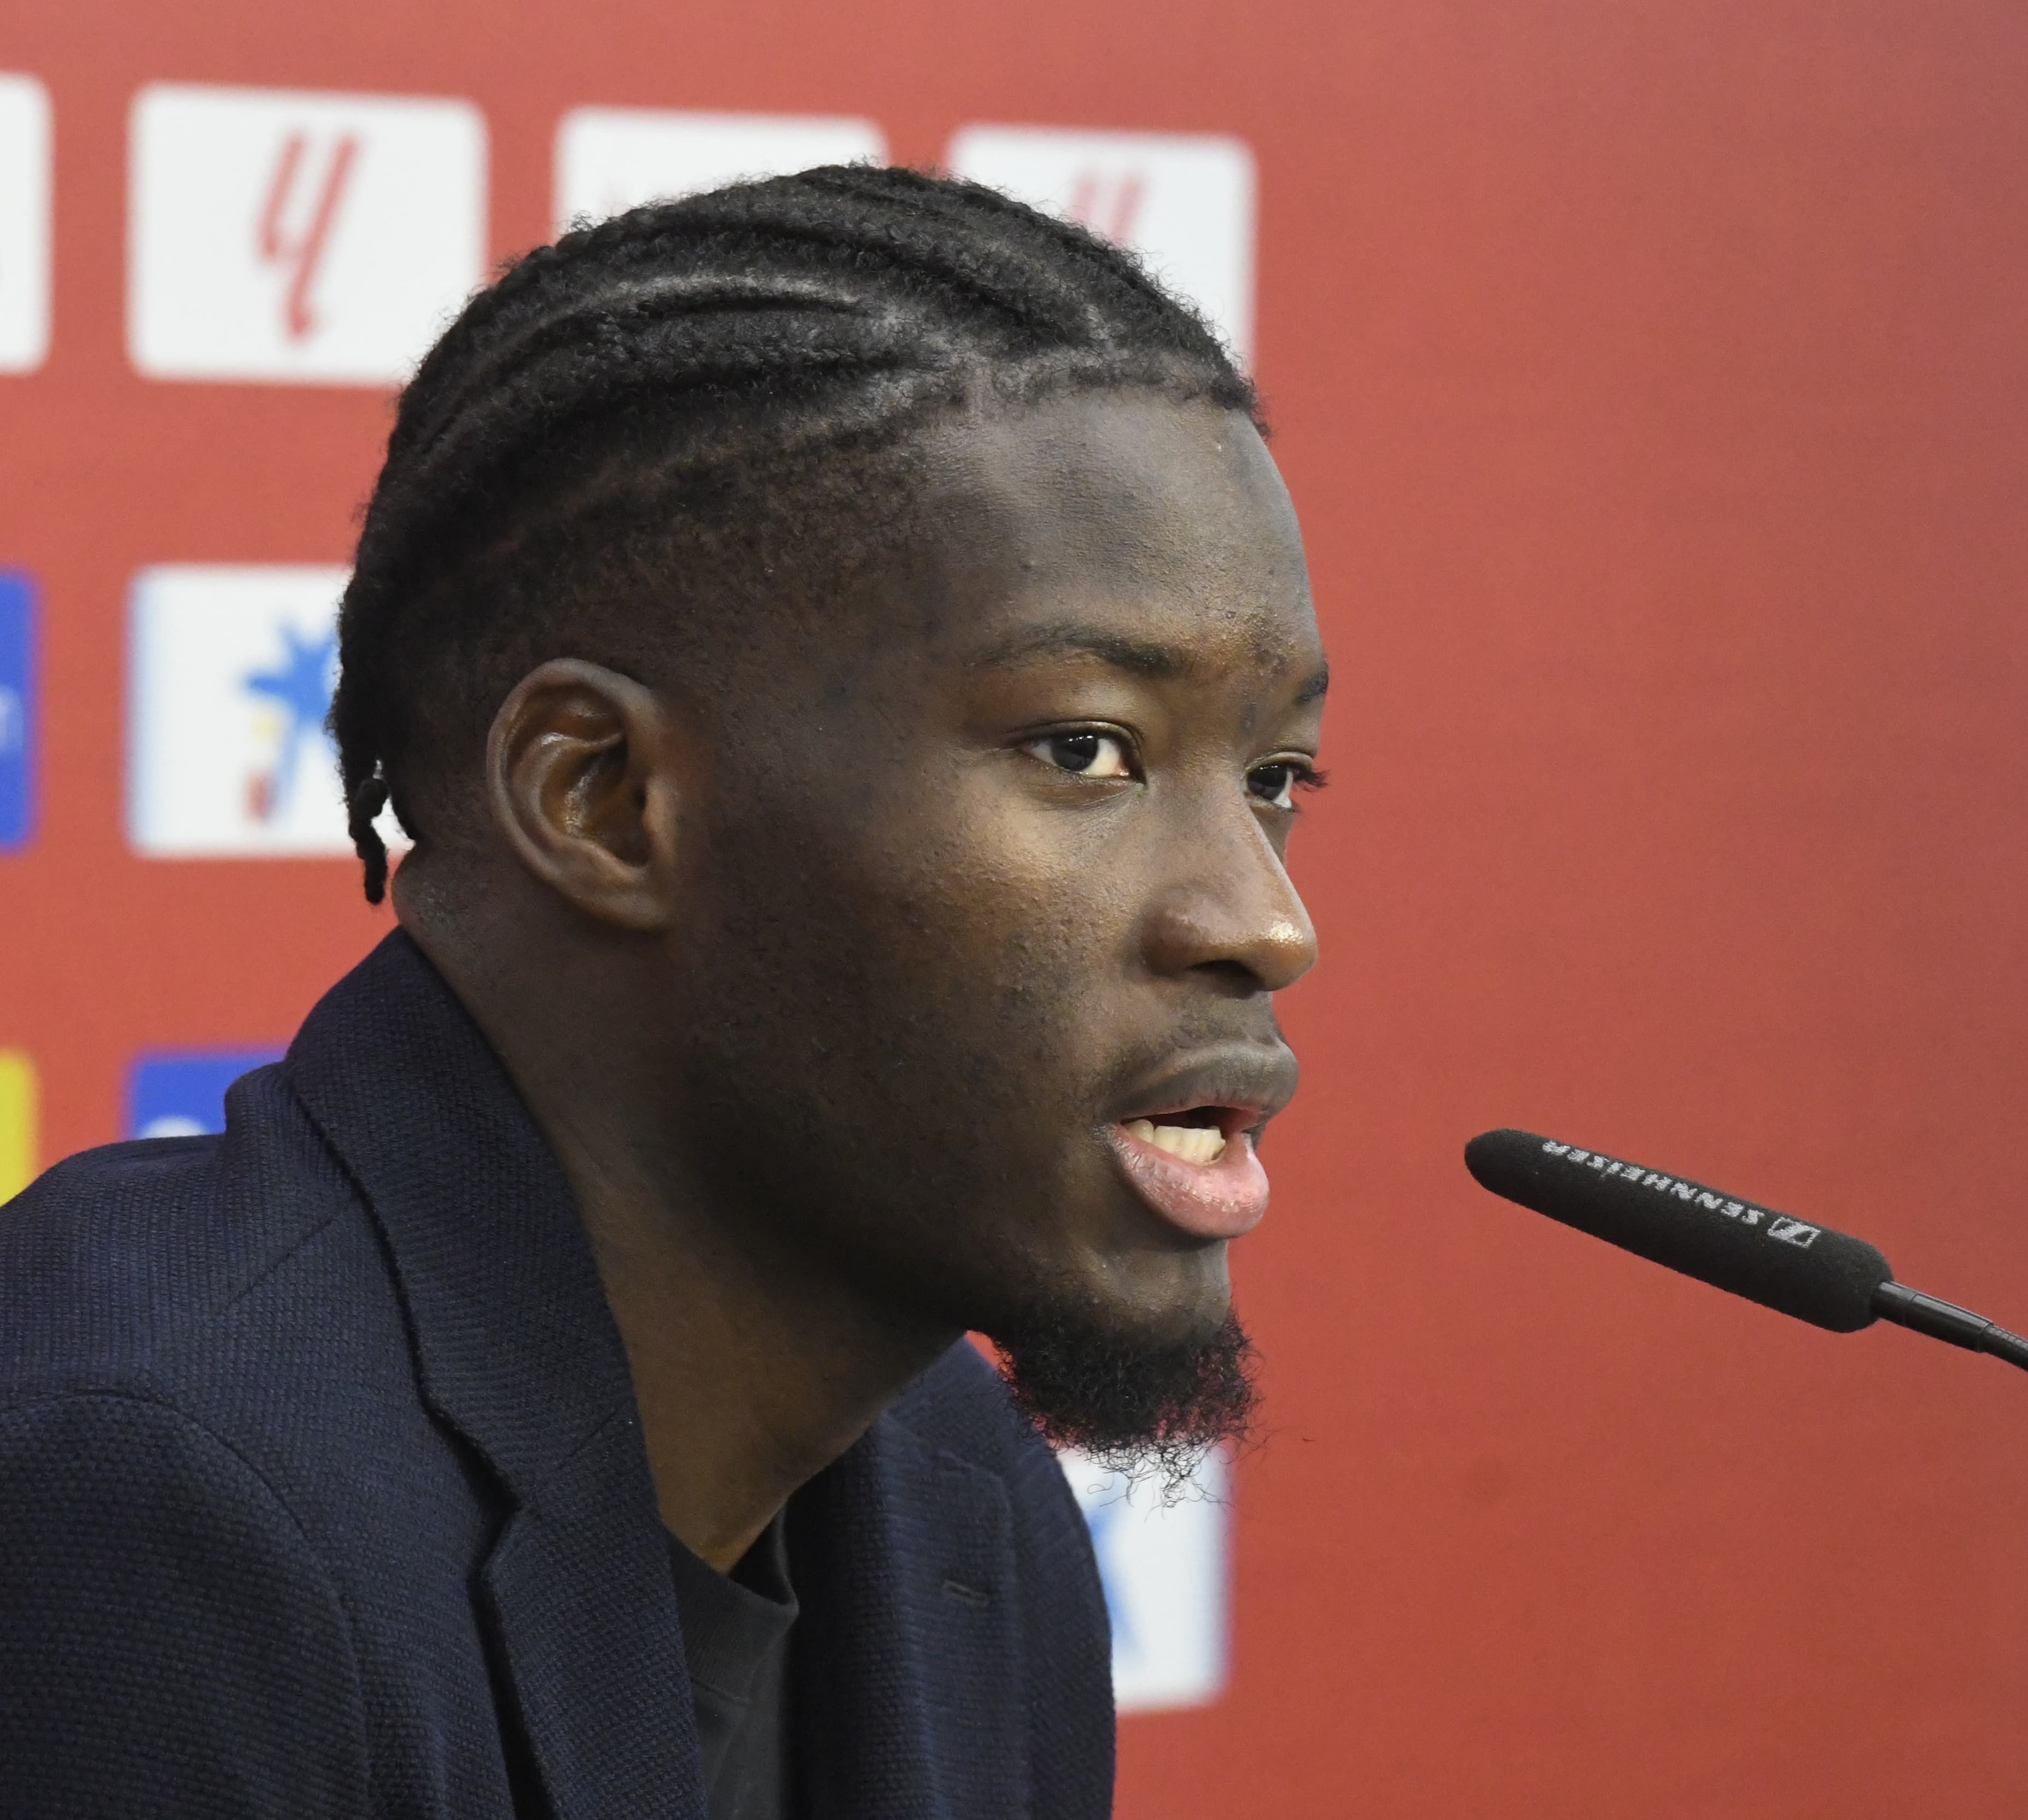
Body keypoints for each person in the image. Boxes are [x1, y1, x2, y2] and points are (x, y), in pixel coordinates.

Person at [0, 166, 1326, 1819]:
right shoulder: (126, 1506)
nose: (1264, 924)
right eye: (1087, 750)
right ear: (603, 797)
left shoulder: (964, 1505)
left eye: (1276, 777)